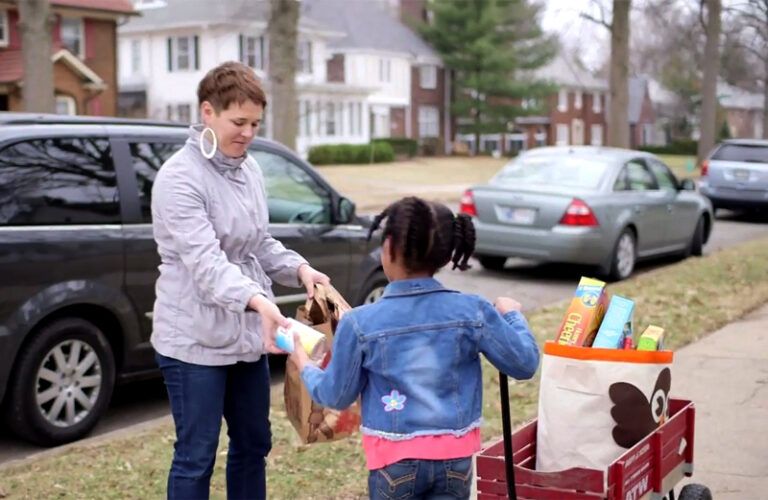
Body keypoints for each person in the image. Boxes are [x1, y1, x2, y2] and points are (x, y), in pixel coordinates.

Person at [150, 61, 329, 500]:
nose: (248, 133)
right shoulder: (179, 179)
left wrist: (301, 269)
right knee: (197, 454)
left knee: (254, 442)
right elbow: (207, 265)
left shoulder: (248, 169)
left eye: (255, 123)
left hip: (247, 335)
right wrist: (262, 303)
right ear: (207, 112)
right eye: (238, 122)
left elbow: (258, 243)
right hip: (193, 340)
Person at [289, 196, 540, 500]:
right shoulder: (472, 311)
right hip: (456, 460)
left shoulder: (359, 323)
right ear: (447, 253)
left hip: (392, 462)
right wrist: (511, 313)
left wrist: (305, 365)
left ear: (389, 246)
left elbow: (336, 395)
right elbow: (524, 363)